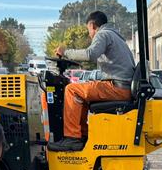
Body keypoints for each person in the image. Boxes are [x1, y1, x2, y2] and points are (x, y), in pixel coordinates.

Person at [50, 11, 135, 151]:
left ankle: (72, 138)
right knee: (82, 94)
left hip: (117, 88)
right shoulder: (116, 36)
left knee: (72, 90)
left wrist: (65, 52)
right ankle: (83, 135)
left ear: (92, 25)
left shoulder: (103, 34)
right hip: (122, 86)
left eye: (88, 30)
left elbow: (90, 54)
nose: (90, 34)